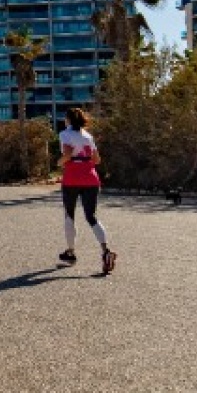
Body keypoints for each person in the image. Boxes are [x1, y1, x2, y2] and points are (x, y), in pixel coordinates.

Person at [57, 107, 117, 276]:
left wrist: (60, 162)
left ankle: (70, 252)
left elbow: (67, 153)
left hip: (72, 179)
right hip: (91, 179)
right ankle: (106, 251)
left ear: (68, 119)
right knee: (91, 216)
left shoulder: (65, 134)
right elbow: (97, 159)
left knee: (70, 215)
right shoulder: (88, 136)